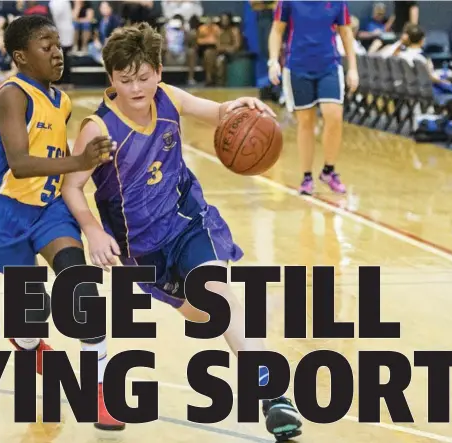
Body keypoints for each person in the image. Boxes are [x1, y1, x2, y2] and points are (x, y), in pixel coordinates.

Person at [60, 22, 303, 442]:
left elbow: (216, 112)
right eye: (125, 80)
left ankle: (272, 394)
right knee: (202, 315)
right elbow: (72, 186)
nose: (136, 88)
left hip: (186, 219)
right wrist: (92, 231)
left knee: (218, 292)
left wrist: (239, 107)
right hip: (143, 247)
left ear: (157, 70)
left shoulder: (169, 97)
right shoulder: (98, 129)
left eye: (144, 77)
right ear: (111, 79)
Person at [0, 15, 123, 431]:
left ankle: (98, 390)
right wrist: (80, 160)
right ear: (20, 56)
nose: (58, 52)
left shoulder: (61, 100)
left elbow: (55, 156)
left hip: (50, 208)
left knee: (81, 287)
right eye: (46, 45)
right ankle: (28, 341)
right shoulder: (11, 96)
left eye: (58, 44)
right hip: (4, 212)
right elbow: (18, 164)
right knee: (32, 317)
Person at [268, 1, 359, 195]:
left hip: (329, 66)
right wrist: (273, 61)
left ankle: (329, 170)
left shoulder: (337, 2)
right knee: (306, 122)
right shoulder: (288, 2)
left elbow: (346, 33)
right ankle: (307, 176)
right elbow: (277, 30)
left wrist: (353, 68)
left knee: (333, 115)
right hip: (298, 67)